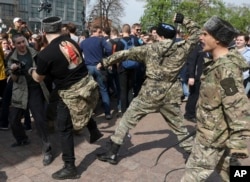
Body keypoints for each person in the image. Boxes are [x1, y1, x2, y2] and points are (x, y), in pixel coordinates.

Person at [96, 13, 200, 164]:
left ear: (159, 35)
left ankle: (112, 152)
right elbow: (197, 32)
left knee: (127, 119)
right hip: (170, 93)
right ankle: (191, 154)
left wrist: (104, 62)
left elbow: (125, 54)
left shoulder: (149, 49)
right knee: (179, 126)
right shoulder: (182, 48)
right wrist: (183, 19)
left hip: (149, 93)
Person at [29, 16, 103, 180]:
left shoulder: (46, 54)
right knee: (80, 104)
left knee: (64, 128)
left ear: (43, 31)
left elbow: (38, 78)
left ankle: (70, 167)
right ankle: (94, 130)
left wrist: (31, 71)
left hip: (69, 92)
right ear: (60, 28)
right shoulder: (72, 42)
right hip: (85, 84)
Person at [180, 16, 250, 182]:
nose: (200, 37)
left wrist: (238, 143)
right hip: (215, 134)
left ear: (217, 39)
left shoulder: (226, 70)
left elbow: (237, 106)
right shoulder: (216, 64)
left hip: (212, 140)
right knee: (233, 172)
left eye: (205, 34)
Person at [7, 33, 53, 166]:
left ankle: (47, 149)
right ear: (14, 44)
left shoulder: (36, 53)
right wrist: (14, 71)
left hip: (34, 89)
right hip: (20, 91)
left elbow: (43, 71)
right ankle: (21, 139)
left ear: (26, 41)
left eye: (23, 42)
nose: (22, 45)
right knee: (13, 119)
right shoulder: (12, 57)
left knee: (39, 120)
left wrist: (34, 70)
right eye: (18, 43)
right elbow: (14, 80)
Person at [80, 25, 112, 120]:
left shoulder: (84, 42)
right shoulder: (101, 40)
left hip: (88, 67)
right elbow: (109, 49)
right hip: (99, 67)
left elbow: (78, 52)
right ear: (96, 32)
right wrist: (104, 60)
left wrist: (83, 61)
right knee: (103, 89)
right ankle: (107, 113)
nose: (101, 34)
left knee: (89, 90)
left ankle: (90, 111)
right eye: (100, 32)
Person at [183, 41, 211, 122]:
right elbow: (191, 63)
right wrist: (191, 76)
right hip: (196, 77)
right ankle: (189, 114)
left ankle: (199, 113)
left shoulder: (207, 49)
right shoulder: (196, 49)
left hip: (205, 77)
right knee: (194, 96)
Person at [234, 33, 250, 98]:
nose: (238, 41)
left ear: (246, 42)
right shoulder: (229, 50)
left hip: (244, 79)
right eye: (237, 40)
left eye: (241, 40)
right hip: (230, 79)